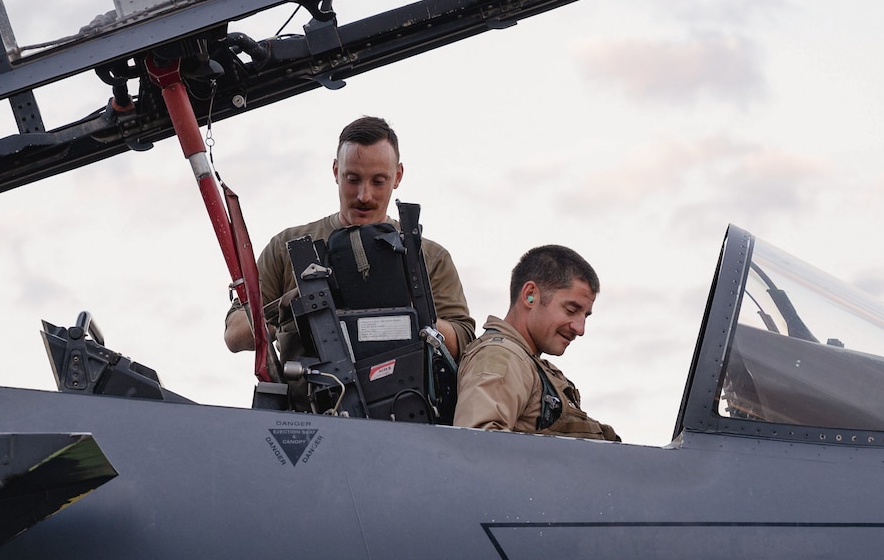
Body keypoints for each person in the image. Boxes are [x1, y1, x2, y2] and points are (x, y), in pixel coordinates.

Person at [223, 116, 475, 362]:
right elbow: (234, 334)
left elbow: (464, 341)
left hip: (403, 399)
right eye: (352, 179)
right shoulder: (287, 246)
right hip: (302, 402)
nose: (364, 195)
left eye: (378, 181)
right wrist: (294, 306)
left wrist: (407, 309)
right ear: (336, 171)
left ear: (397, 176)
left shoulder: (429, 257)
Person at [453, 245, 619, 440]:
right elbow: (477, 449)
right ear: (530, 295)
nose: (580, 329)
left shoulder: (527, 363)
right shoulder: (500, 355)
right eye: (571, 310)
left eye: (585, 316)